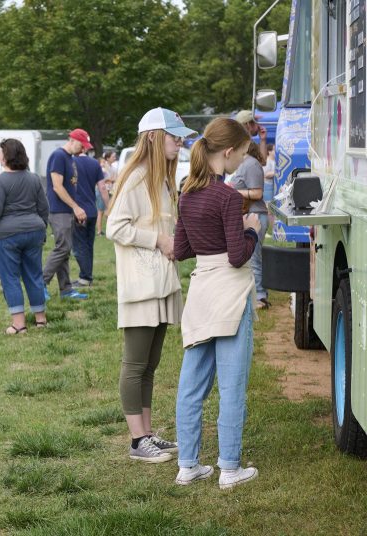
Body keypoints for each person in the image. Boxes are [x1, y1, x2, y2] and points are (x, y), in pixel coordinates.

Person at [173, 117, 261, 490]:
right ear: (227, 152)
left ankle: (187, 464)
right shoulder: (228, 197)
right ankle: (229, 468)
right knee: (231, 384)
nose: (242, 161)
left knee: (191, 384)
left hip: (201, 292)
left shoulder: (186, 194)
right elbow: (238, 256)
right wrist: (253, 229)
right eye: (241, 154)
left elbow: (181, 250)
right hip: (230, 293)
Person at [106, 107, 195, 464]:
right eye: (174, 136)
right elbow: (115, 227)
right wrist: (157, 240)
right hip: (141, 285)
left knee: (150, 363)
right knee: (135, 363)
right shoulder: (136, 177)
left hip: (160, 282)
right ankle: (137, 440)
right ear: (155, 137)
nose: (180, 141)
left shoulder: (161, 178)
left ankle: (147, 433)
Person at [0, 138, 49, 334]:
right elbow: (44, 207)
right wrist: (42, 228)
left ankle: (19, 324)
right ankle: (40, 319)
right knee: (34, 275)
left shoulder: (0, 181)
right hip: (34, 230)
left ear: (6, 157)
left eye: (1, 153)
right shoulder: (34, 178)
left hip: (7, 235)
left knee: (10, 278)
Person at [42, 129, 92, 300]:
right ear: (72, 140)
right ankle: (40, 283)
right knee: (63, 248)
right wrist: (76, 207)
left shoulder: (70, 158)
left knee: (65, 249)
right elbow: (57, 186)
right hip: (58, 210)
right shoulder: (58, 156)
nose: (83, 149)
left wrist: (74, 208)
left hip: (66, 210)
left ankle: (66, 290)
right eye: (82, 145)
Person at [230, 142, 269, 309]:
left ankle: (260, 297)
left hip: (255, 215)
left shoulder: (251, 163)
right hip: (249, 214)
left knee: (253, 258)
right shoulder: (246, 163)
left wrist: (231, 191)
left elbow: (257, 193)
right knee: (252, 257)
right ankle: (256, 294)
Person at [72, 151, 103, 288]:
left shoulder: (71, 162)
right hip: (92, 210)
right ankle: (87, 277)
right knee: (89, 246)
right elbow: (102, 187)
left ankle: (84, 278)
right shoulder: (95, 163)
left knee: (79, 246)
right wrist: (107, 207)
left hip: (79, 211)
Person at [96, 150, 118, 236]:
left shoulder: (114, 168)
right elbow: (100, 180)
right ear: (107, 158)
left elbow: (116, 178)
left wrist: (112, 180)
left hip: (111, 191)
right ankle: (99, 231)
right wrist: (110, 180)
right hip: (102, 190)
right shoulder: (102, 168)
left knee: (110, 210)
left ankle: (110, 230)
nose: (115, 158)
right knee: (100, 211)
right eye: (113, 156)